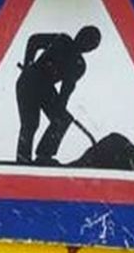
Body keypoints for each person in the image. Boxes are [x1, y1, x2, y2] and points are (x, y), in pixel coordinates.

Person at [15, 25, 101, 165]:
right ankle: (23, 159)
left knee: (63, 118)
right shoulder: (63, 40)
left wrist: (60, 109)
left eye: (90, 44)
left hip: (46, 88)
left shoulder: (79, 65)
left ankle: (44, 155)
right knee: (30, 124)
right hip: (30, 80)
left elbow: (66, 90)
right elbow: (34, 40)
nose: (85, 44)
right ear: (79, 34)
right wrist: (27, 65)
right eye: (85, 38)